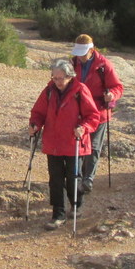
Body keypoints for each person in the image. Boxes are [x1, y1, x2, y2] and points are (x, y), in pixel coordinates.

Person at [29, 59, 101, 230]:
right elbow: (38, 112)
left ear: (70, 76)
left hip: (74, 143)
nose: (57, 82)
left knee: (73, 179)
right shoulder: (49, 91)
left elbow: (93, 116)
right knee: (55, 180)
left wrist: (83, 128)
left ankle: (76, 205)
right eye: (54, 78)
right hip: (53, 143)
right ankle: (58, 214)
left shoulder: (80, 90)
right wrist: (35, 124)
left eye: (60, 78)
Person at [71, 34, 124, 193]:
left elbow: (118, 87)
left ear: (92, 50)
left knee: (93, 147)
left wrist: (112, 95)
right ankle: (78, 177)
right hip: (80, 111)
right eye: (78, 53)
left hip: (99, 112)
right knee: (79, 144)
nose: (80, 56)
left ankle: (88, 179)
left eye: (83, 53)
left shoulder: (104, 65)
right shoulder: (74, 63)